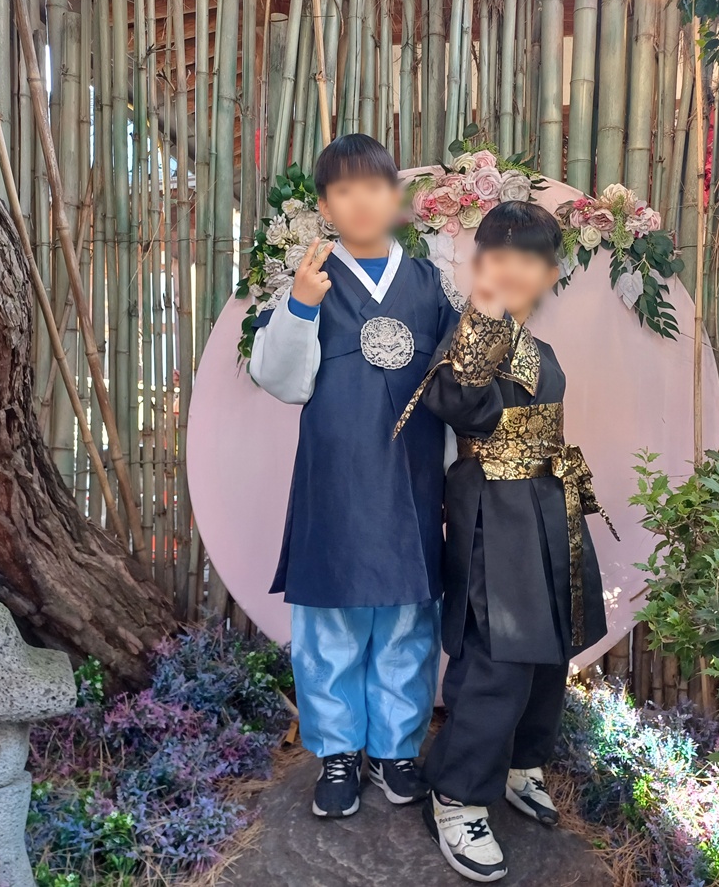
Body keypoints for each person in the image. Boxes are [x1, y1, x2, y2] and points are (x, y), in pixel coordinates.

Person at [396, 201, 615, 882]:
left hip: (550, 504)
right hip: (495, 510)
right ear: (483, 262)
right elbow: (458, 401)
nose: (521, 270)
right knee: (499, 659)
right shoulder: (471, 335)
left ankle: (522, 762)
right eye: (506, 255)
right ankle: (457, 794)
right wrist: (486, 313)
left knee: (551, 651)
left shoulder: (537, 347)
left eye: (535, 257)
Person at [248, 133, 461, 818]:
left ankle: (396, 751)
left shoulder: (430, 285)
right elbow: (281, 380)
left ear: (396, 196)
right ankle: (337, 753)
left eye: (374, 186)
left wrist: (456, 478)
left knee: (407, 619)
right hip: (334, 482)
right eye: (343, 189)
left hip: (411, 483)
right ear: (324, 205)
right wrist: (301, 305)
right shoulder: (312, 278)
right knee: (330, 622)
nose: (361, 201)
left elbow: (457, 388)